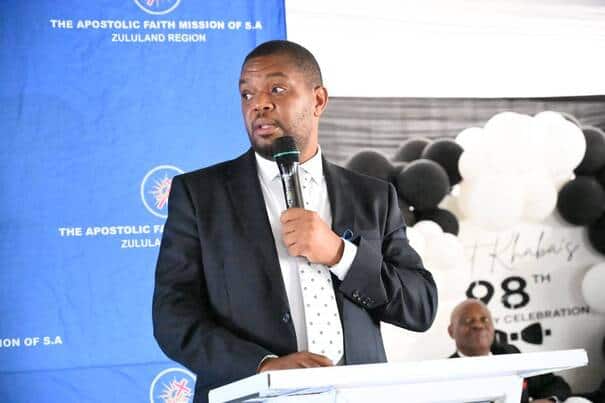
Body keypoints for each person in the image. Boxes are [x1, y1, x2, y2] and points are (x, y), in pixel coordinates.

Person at [152, 40, 438, 403]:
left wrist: (340, 254)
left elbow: (420, 305)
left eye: (276, 89)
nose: (258, 104)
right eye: (246, 94)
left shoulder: (373, 196)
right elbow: (173, 316)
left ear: (318, 100)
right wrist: (263, 367)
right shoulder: (199, 195)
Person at [448, 299, 572, 403]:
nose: (479, 325)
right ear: (451, 331)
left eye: (484, 319)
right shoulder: (446, 372)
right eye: (468, 321)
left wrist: (550, 400)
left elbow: (555, 384)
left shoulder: (509, 353)